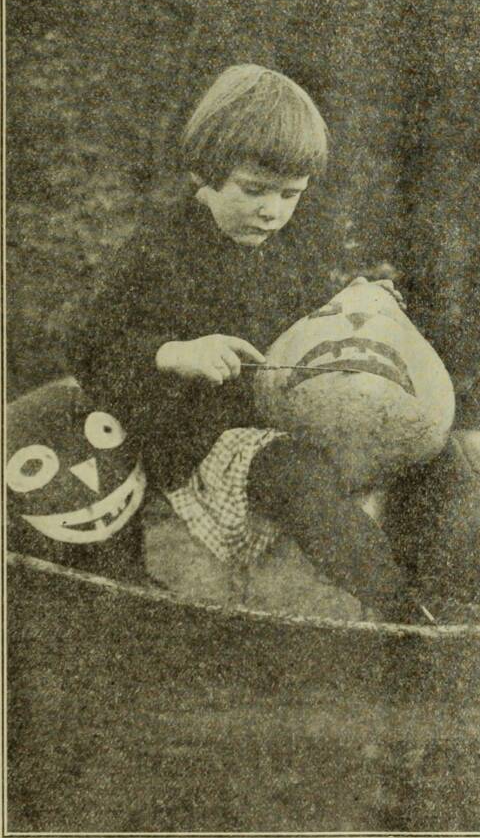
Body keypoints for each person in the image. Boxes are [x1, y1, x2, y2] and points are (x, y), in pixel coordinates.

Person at [66, 64, 424, 621]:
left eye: (290, 195)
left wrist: (356, 301)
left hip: (274, 413)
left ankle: (441, 581)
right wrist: (176, 354)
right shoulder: (160, 250)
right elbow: (91, 345)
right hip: (200, 435)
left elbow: (306, 310)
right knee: (297, 474)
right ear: (207, 176)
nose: (271, 211)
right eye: (254, 190)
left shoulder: (277, 247)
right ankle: (403, 615)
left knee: (402, 445)